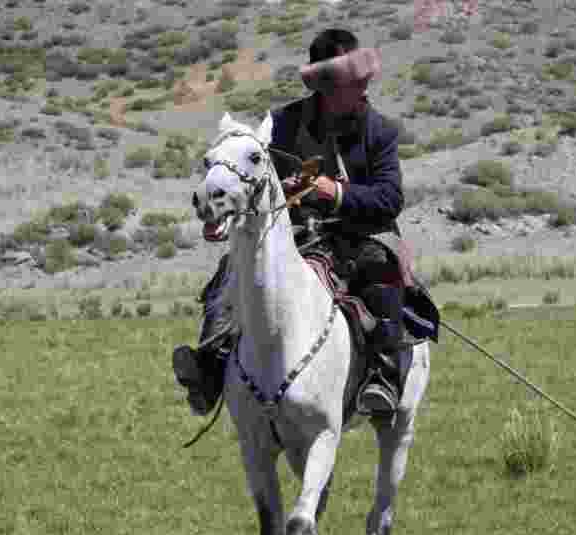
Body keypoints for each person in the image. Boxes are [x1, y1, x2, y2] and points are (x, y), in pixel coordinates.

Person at [174, 28, 410, 417]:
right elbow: (261, 183)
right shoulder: (283, 124)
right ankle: (209, 367)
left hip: (355, 236)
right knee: (230, 272)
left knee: (382, 272)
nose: (364, 89)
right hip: (293, 234)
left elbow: (390, 198)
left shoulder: (379, 131)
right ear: (328, 85)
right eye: (355, 82)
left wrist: (331, 192)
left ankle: (382, 379)